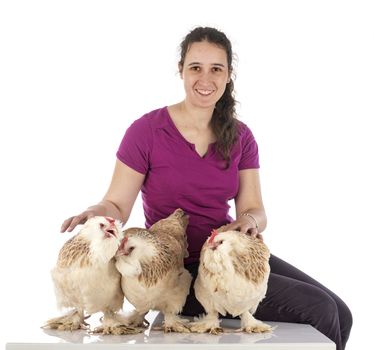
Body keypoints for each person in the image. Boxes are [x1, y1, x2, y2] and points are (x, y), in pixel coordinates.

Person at [60, 26, 352, 349]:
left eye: (217, 69)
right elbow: (116, 205)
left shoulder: (241, 136)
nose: (205, 78)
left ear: (229, 76)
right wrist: (95, 213)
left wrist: (250, 222)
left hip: (223, 258)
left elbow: (255, 209)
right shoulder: (146, 132)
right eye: (195, 68)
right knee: (322, 310)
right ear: (181, 71)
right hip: (178, 275)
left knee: (342, 313)